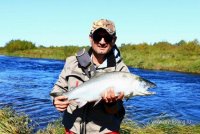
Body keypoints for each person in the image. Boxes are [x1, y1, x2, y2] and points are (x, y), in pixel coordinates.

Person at [50, 19, 130, 134]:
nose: (102, 42)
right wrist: (55, 100)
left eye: (107, 37)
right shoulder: (72, 62)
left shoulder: (121, 71)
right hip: (72, 129)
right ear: (91, 38)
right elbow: (58, 89)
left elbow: (115, 110)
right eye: (98, 37)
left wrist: (111, 103)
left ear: (114, 40)